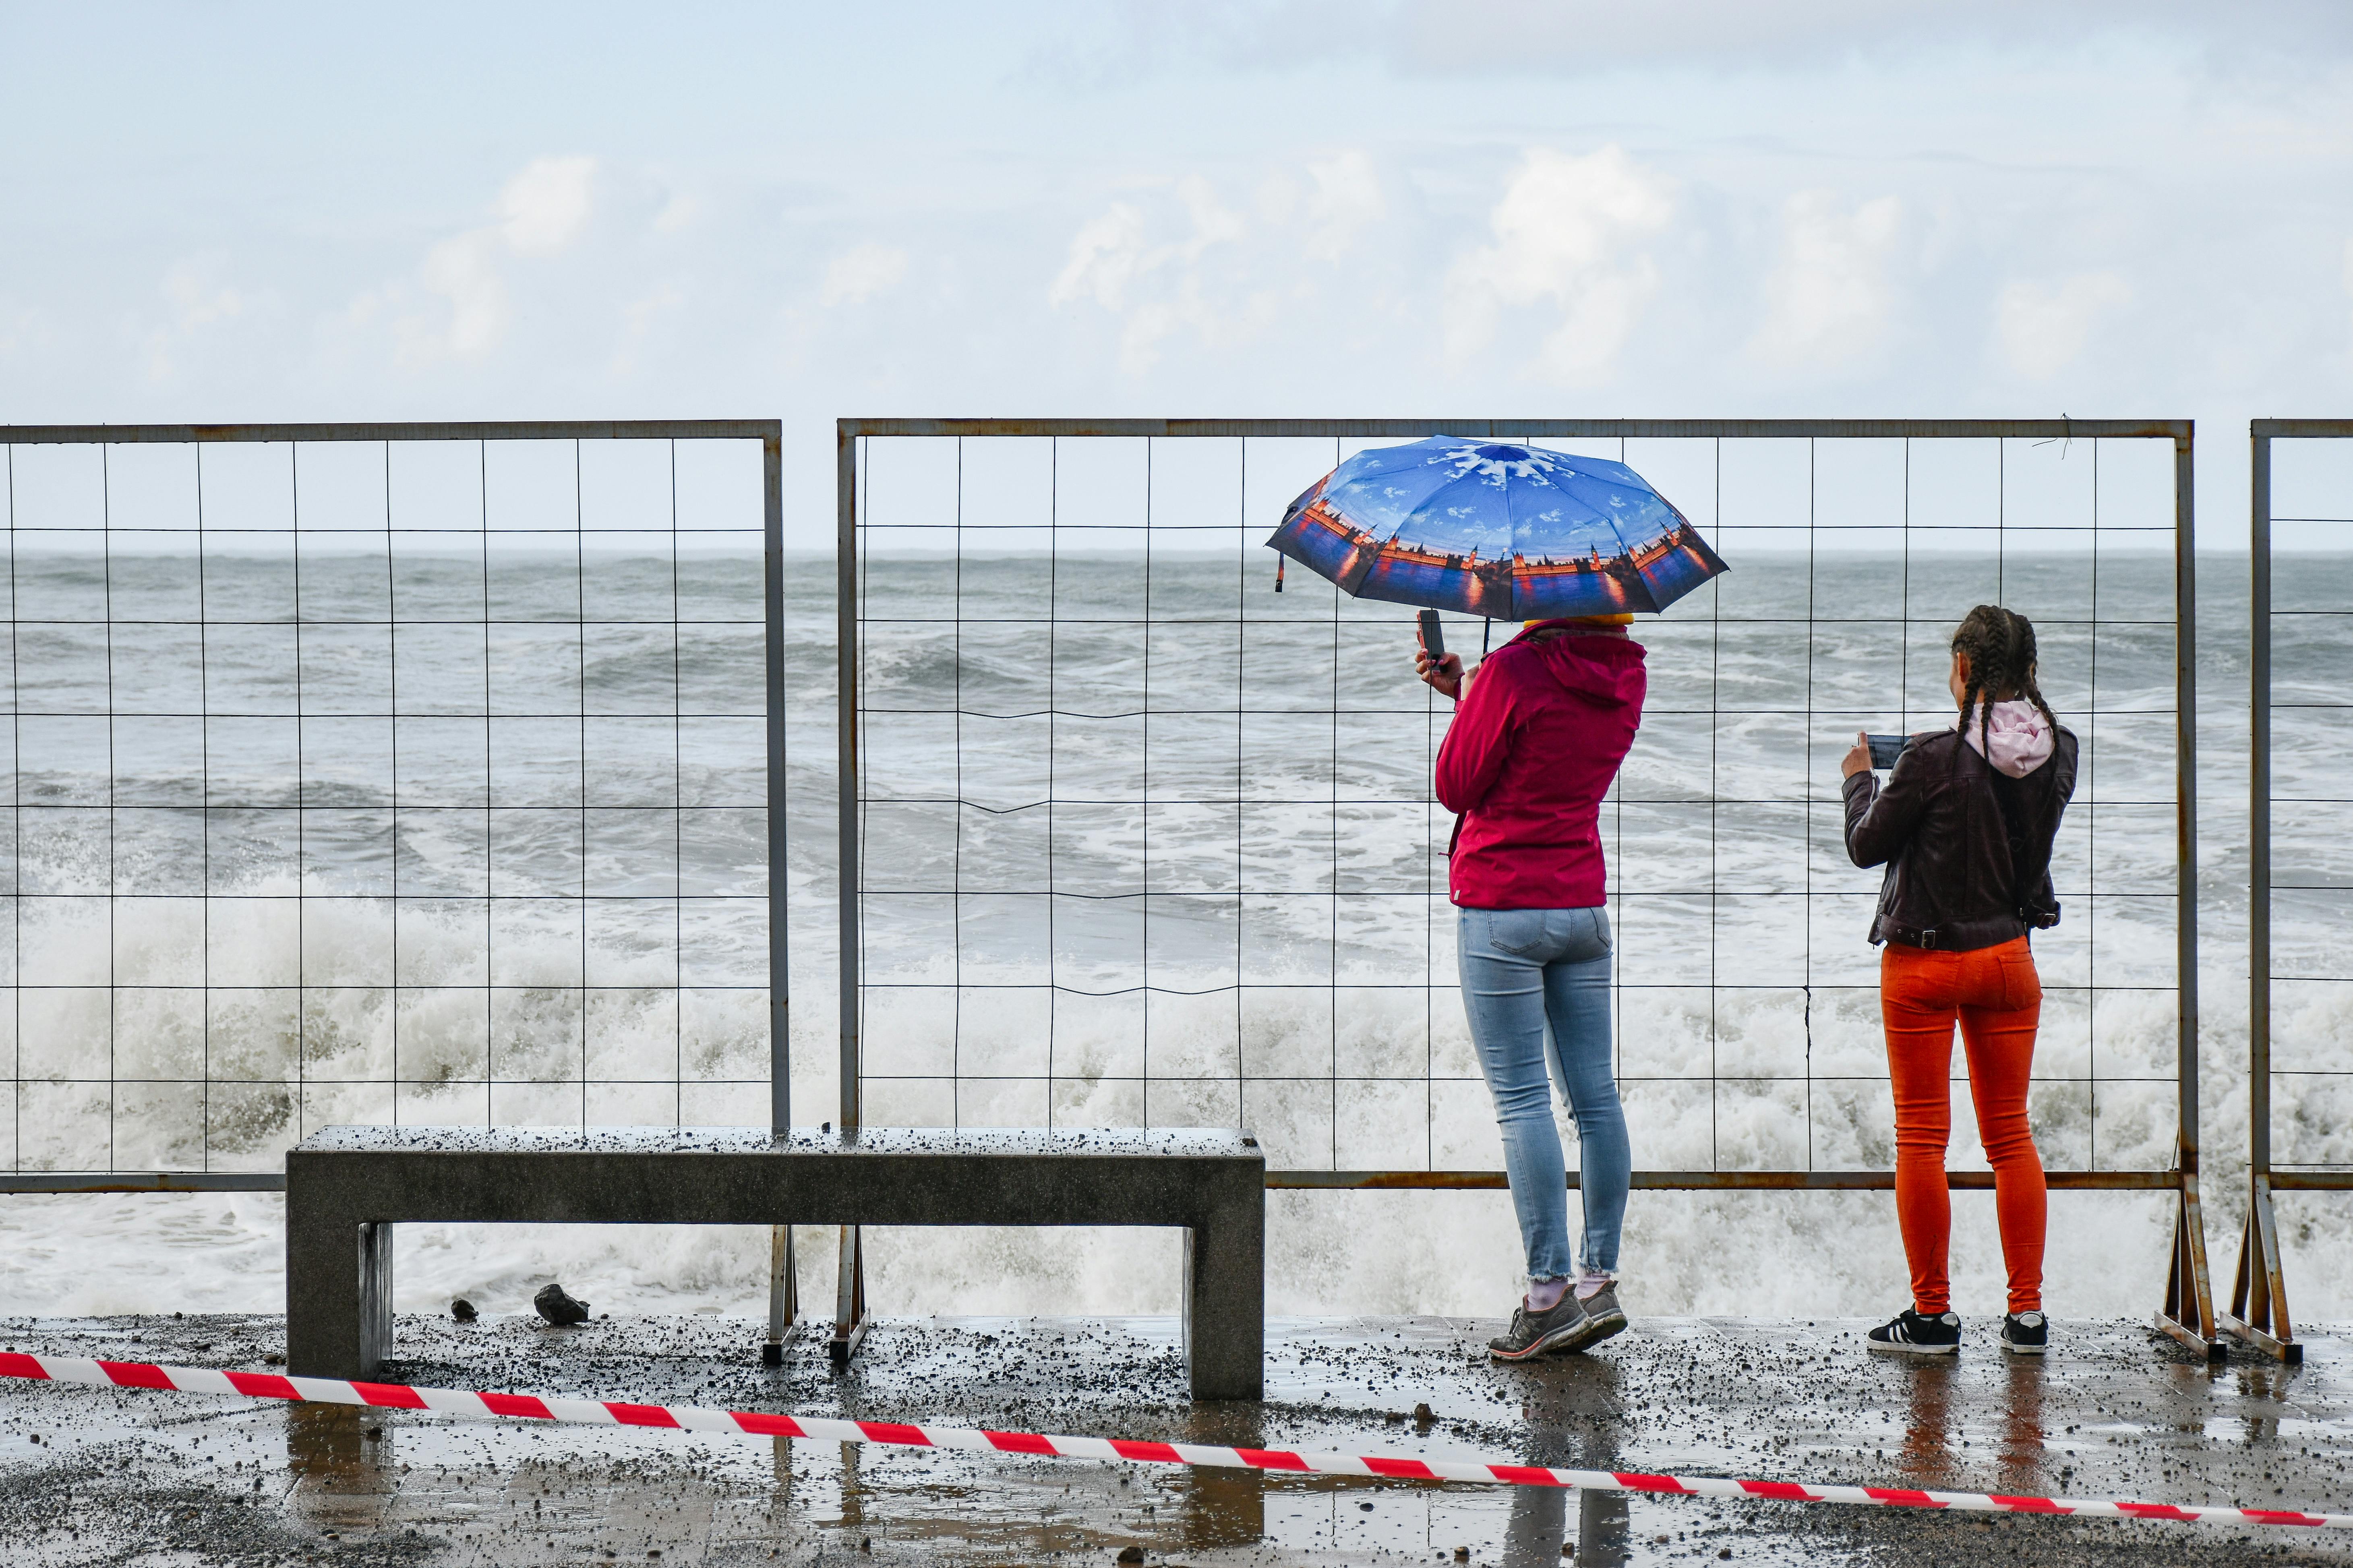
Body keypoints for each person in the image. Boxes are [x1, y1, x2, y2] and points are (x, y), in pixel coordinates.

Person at [1840, 604, 2078, 1357]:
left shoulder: (1931, 757)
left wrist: (1859, 780)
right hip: (2007, 958)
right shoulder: (2059, 752)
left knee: (1922, 1136)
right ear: (2030, 673)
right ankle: (2027, 1315)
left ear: (1965, 668)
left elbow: (1865, 846)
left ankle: (1933, 1316)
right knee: (2011, 1135)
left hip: (1922, 962)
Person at [1419, 612, 1646, 1361]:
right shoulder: (1628, 675)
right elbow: (1549, 748)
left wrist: (1478, 696)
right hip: (1581, 904)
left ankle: (1547, 1295)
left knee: (1521, 1102)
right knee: (1596, 1099)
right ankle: (1597, 1280)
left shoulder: (1514, 672)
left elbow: (1456, 784)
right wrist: (1471, 690)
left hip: (1502, 906)